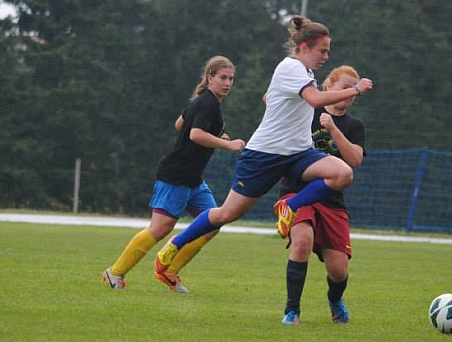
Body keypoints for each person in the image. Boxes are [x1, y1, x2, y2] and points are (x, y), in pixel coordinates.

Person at [153, 16, 373, 278]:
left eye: (327, 51)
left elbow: (288, 99)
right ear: (303, 47)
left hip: (298, 153)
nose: (326, 56)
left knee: (343, 173)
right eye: (322, 51)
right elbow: (314, 100)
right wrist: (355, 90)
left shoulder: (306, 73)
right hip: (264, 155)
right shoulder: (291, 67)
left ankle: (289, 207)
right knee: (226, 214)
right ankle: (175, 244)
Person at [101, 56, 245, 292]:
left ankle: (168, 271)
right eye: (222, 78)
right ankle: (114, 273)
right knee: (159, 229)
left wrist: (216, 138)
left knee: (213, 223)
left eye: (231, 78)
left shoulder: (205, 102)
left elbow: (181, 124)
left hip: (194, 179)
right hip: (176, 176)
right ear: (210, 78)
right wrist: (226, 144)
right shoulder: (207, 103)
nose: (228, 83)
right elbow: (195, 134)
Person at [279, 65, 366, 325]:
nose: (349, 94)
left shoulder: (354, 125)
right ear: (328, 87)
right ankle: (292, 311)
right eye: (345, 88)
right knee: (302, 243)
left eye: (354, 91)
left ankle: (334, 300)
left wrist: (333, 130)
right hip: (297, 190)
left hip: (331, 199)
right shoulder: (308, 110)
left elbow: (354, 161)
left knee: (338, 271)